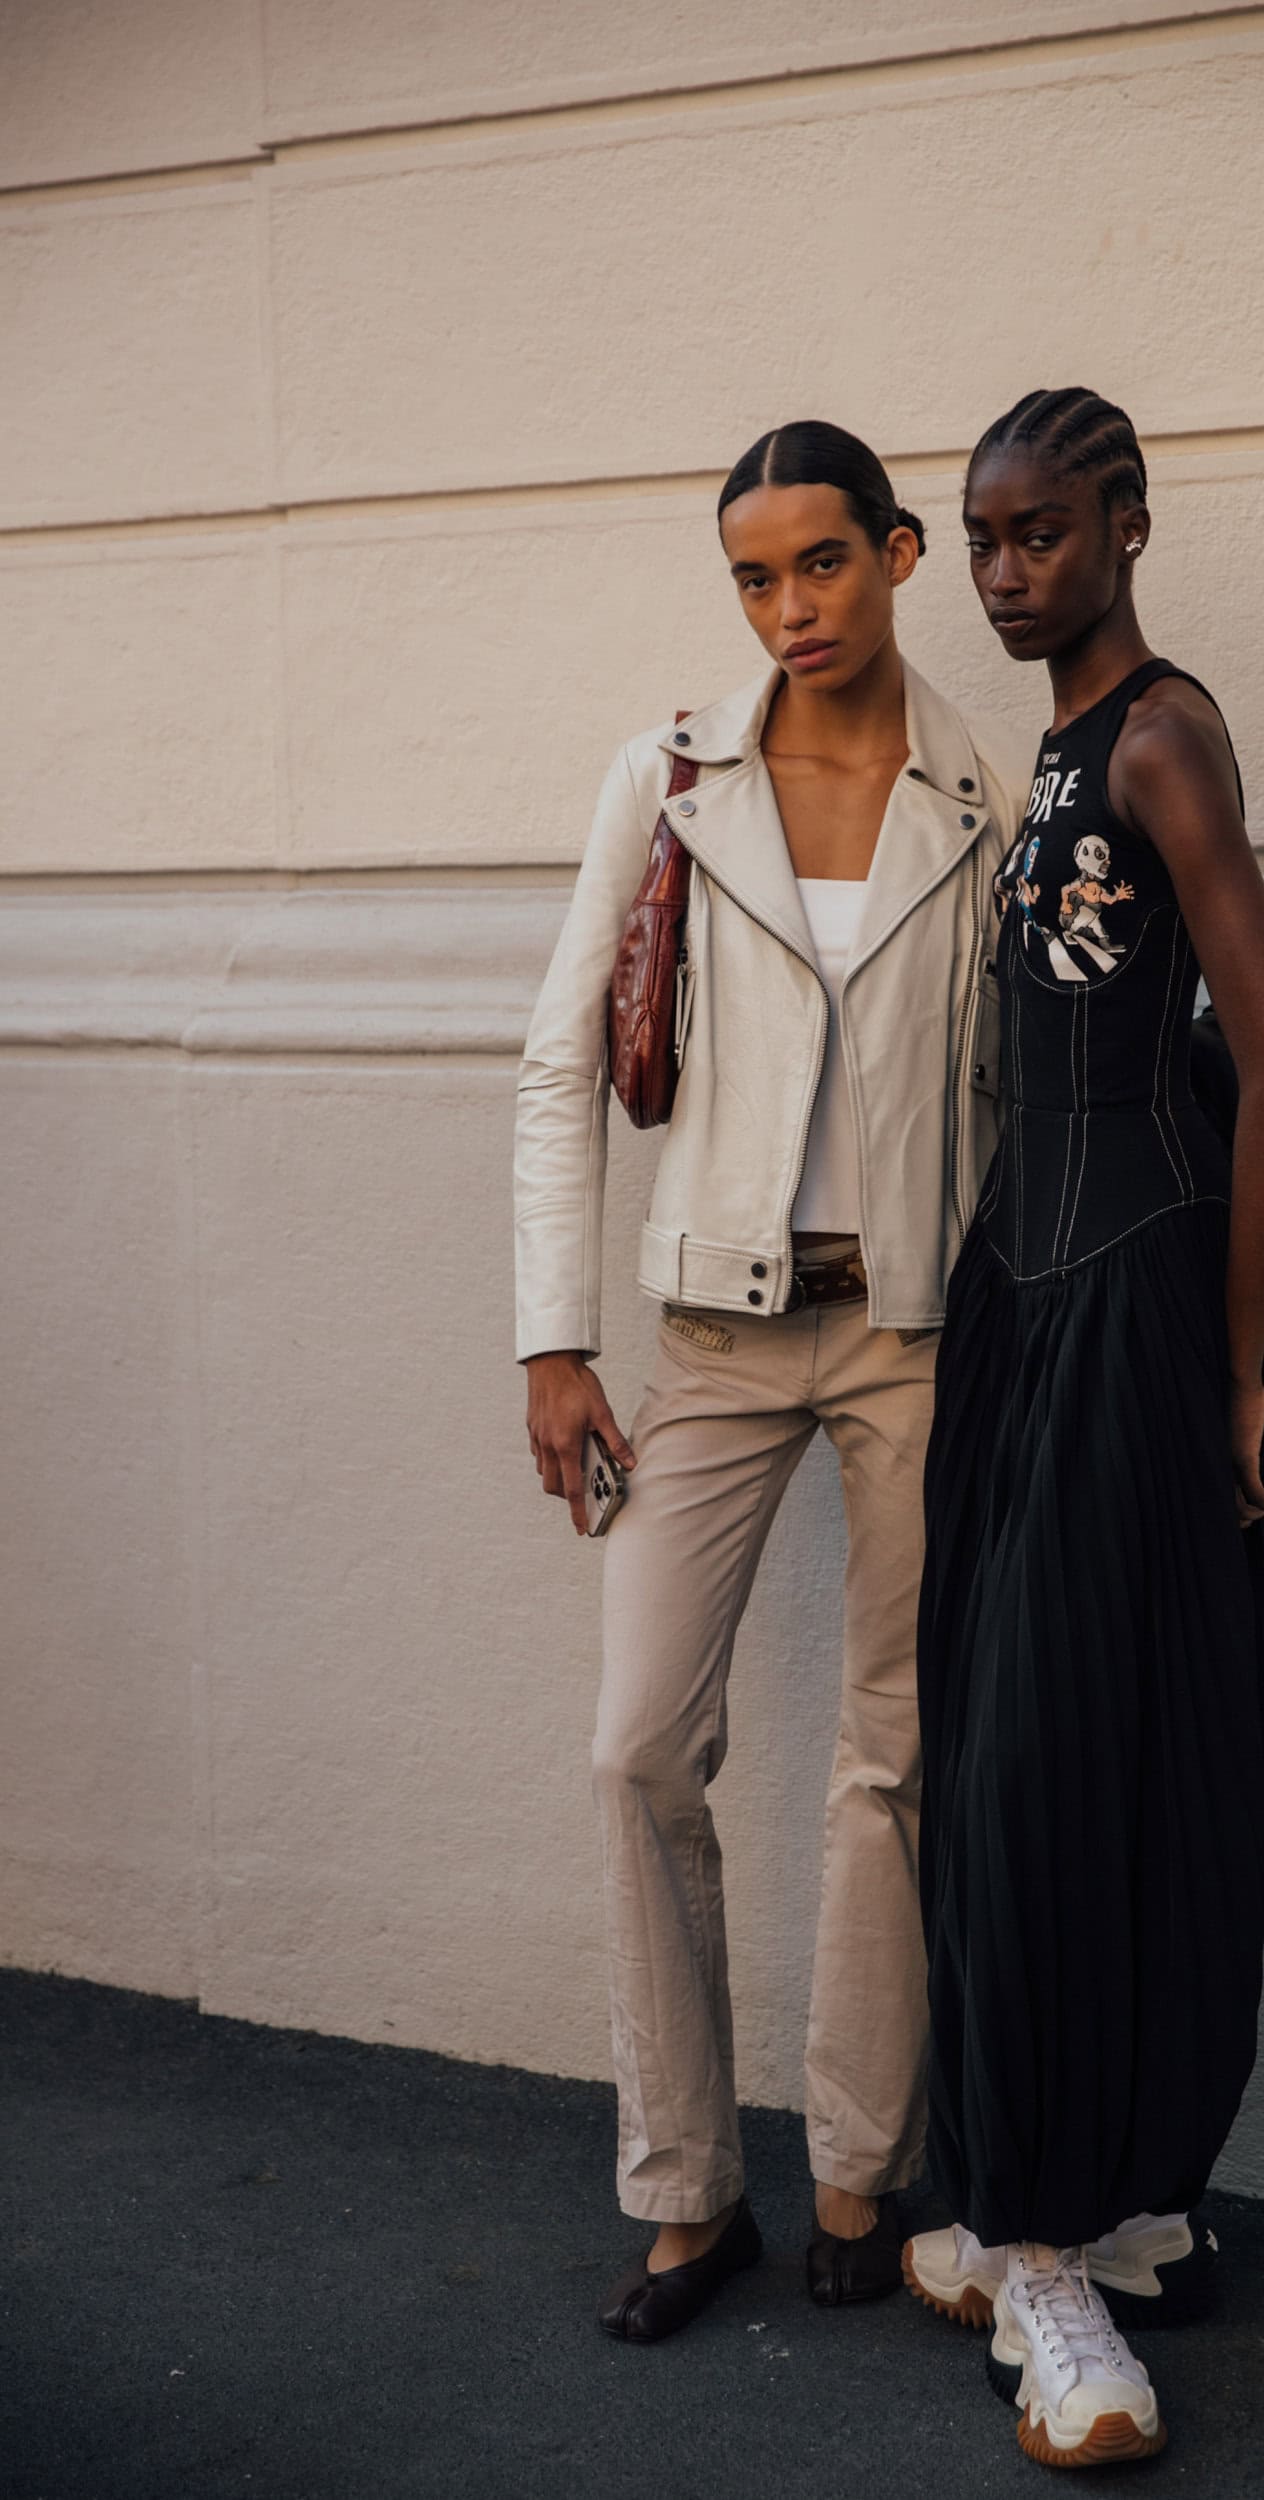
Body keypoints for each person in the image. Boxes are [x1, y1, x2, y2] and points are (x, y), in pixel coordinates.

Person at [513, 421, 1020, 2342]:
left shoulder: (984, 794)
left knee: (894, 1756)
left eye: (821, 563)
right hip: (710, 1336)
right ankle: (686, 2187)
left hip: (913, 1329)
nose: (789, 608)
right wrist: (555, 1339)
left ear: (897, 555)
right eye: (752, 576)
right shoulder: (668, 777)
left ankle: (859, 2170)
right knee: (640, 1743)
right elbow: (563, 1060)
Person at [900, 389, 1264, 2467]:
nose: (1004, 573)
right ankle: (1073, 2195)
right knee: (1007, 1754)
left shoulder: (1157, 735)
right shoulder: (1059, 745)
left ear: (1128, 524)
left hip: (1132, 1306)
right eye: (983, 538)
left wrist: (1232, 1367)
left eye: (1042, 533)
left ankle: (1058, 2248)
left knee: (1063, 1777)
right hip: (1023, 1292)